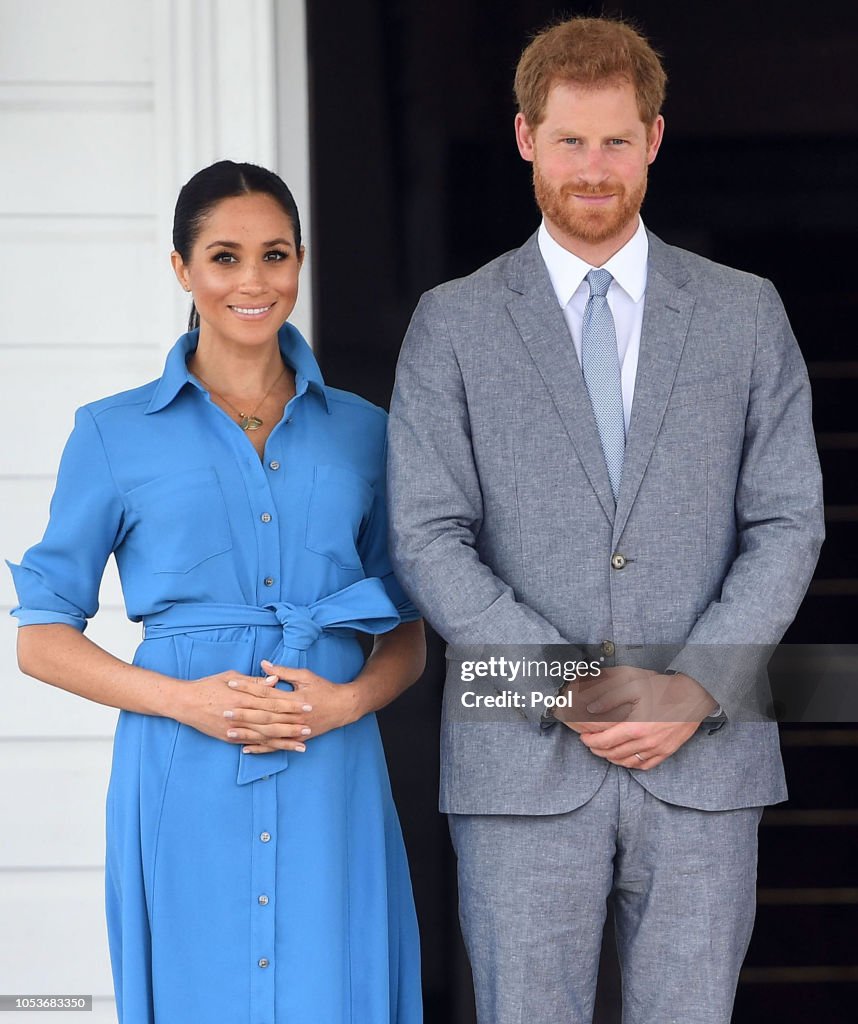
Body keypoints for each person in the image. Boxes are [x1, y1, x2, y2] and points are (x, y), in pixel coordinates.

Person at [387, 16, 823, 1024]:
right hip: (520, 763)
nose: (594, 166)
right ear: (525, 136)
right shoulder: (452, 323)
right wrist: (568, 680)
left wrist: (695, 684)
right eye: (571, 139)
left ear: (655, 140)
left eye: (616, 140)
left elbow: (790, 520)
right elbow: (426, 531)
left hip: (705, 760)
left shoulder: (745, 313)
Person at [9, 160, 425, 1024]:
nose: (253, 281)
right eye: (224, 257)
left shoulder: (366, 431)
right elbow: (41, 635)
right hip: (182, 769)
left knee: (333, 991)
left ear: (300, 264)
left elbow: (409, 629)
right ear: (182, 269)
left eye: (274, 255)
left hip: (330, 769)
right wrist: (184, 703)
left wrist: (344, 707)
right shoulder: (112, 432)